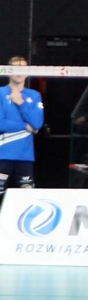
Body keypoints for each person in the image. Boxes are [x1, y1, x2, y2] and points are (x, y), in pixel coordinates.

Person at [0, 60, 44, 197]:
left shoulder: (34, 95)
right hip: (2, 155)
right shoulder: (1, 93)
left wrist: (21, 102)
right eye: (15, 68)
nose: (19, 72)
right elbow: (1, 124)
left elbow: (37, 124)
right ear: (9, 71)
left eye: (23, 68)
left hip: (25, 157)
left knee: (26, 198)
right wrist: (25, 126)